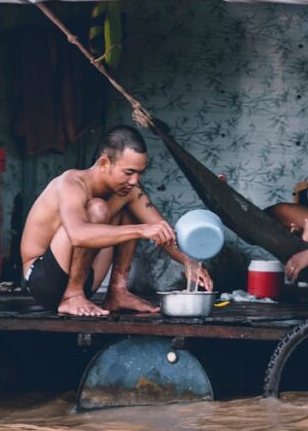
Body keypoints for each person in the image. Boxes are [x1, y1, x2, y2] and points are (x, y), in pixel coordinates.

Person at [20, 125, 213, 317]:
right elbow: (78, 235)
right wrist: (140, 230)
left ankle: (117, 292)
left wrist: (190, 264)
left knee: (129, 204)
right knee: (97, 209)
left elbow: (162, 230)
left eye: (140, 173)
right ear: (104, 163)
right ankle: (73, 294)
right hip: (43, 280)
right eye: (128, 173)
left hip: (85, 279)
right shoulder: (71, 183)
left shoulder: (129, 190)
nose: (135, 180)